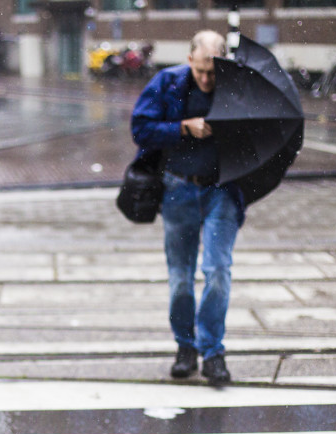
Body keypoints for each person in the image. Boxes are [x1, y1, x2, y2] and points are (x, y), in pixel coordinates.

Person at [130, 29, 243, 385]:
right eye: (201, 72)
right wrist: (182, 128)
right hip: (178, 190)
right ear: (190, 59)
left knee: (218, 271)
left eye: (214, 72)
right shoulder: (167, 83)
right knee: (181, 280)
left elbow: (256, 137)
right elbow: (140, 129)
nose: (208, 80)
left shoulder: (237, 90)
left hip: (221, 192)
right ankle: (185, 347)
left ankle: (213, 353)